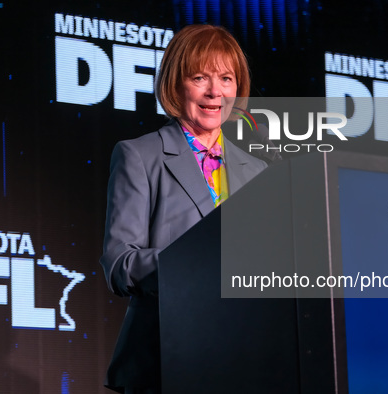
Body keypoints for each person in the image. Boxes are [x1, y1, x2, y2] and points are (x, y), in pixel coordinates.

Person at [100, 24, 267, 393]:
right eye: (199, 78)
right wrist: (192, 263)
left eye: (226, 78)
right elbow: (119, 264)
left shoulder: (257, 173)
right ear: (176, 85)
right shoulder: (139, 156)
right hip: (164, 361)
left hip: (244, 361)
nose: (215, 92)